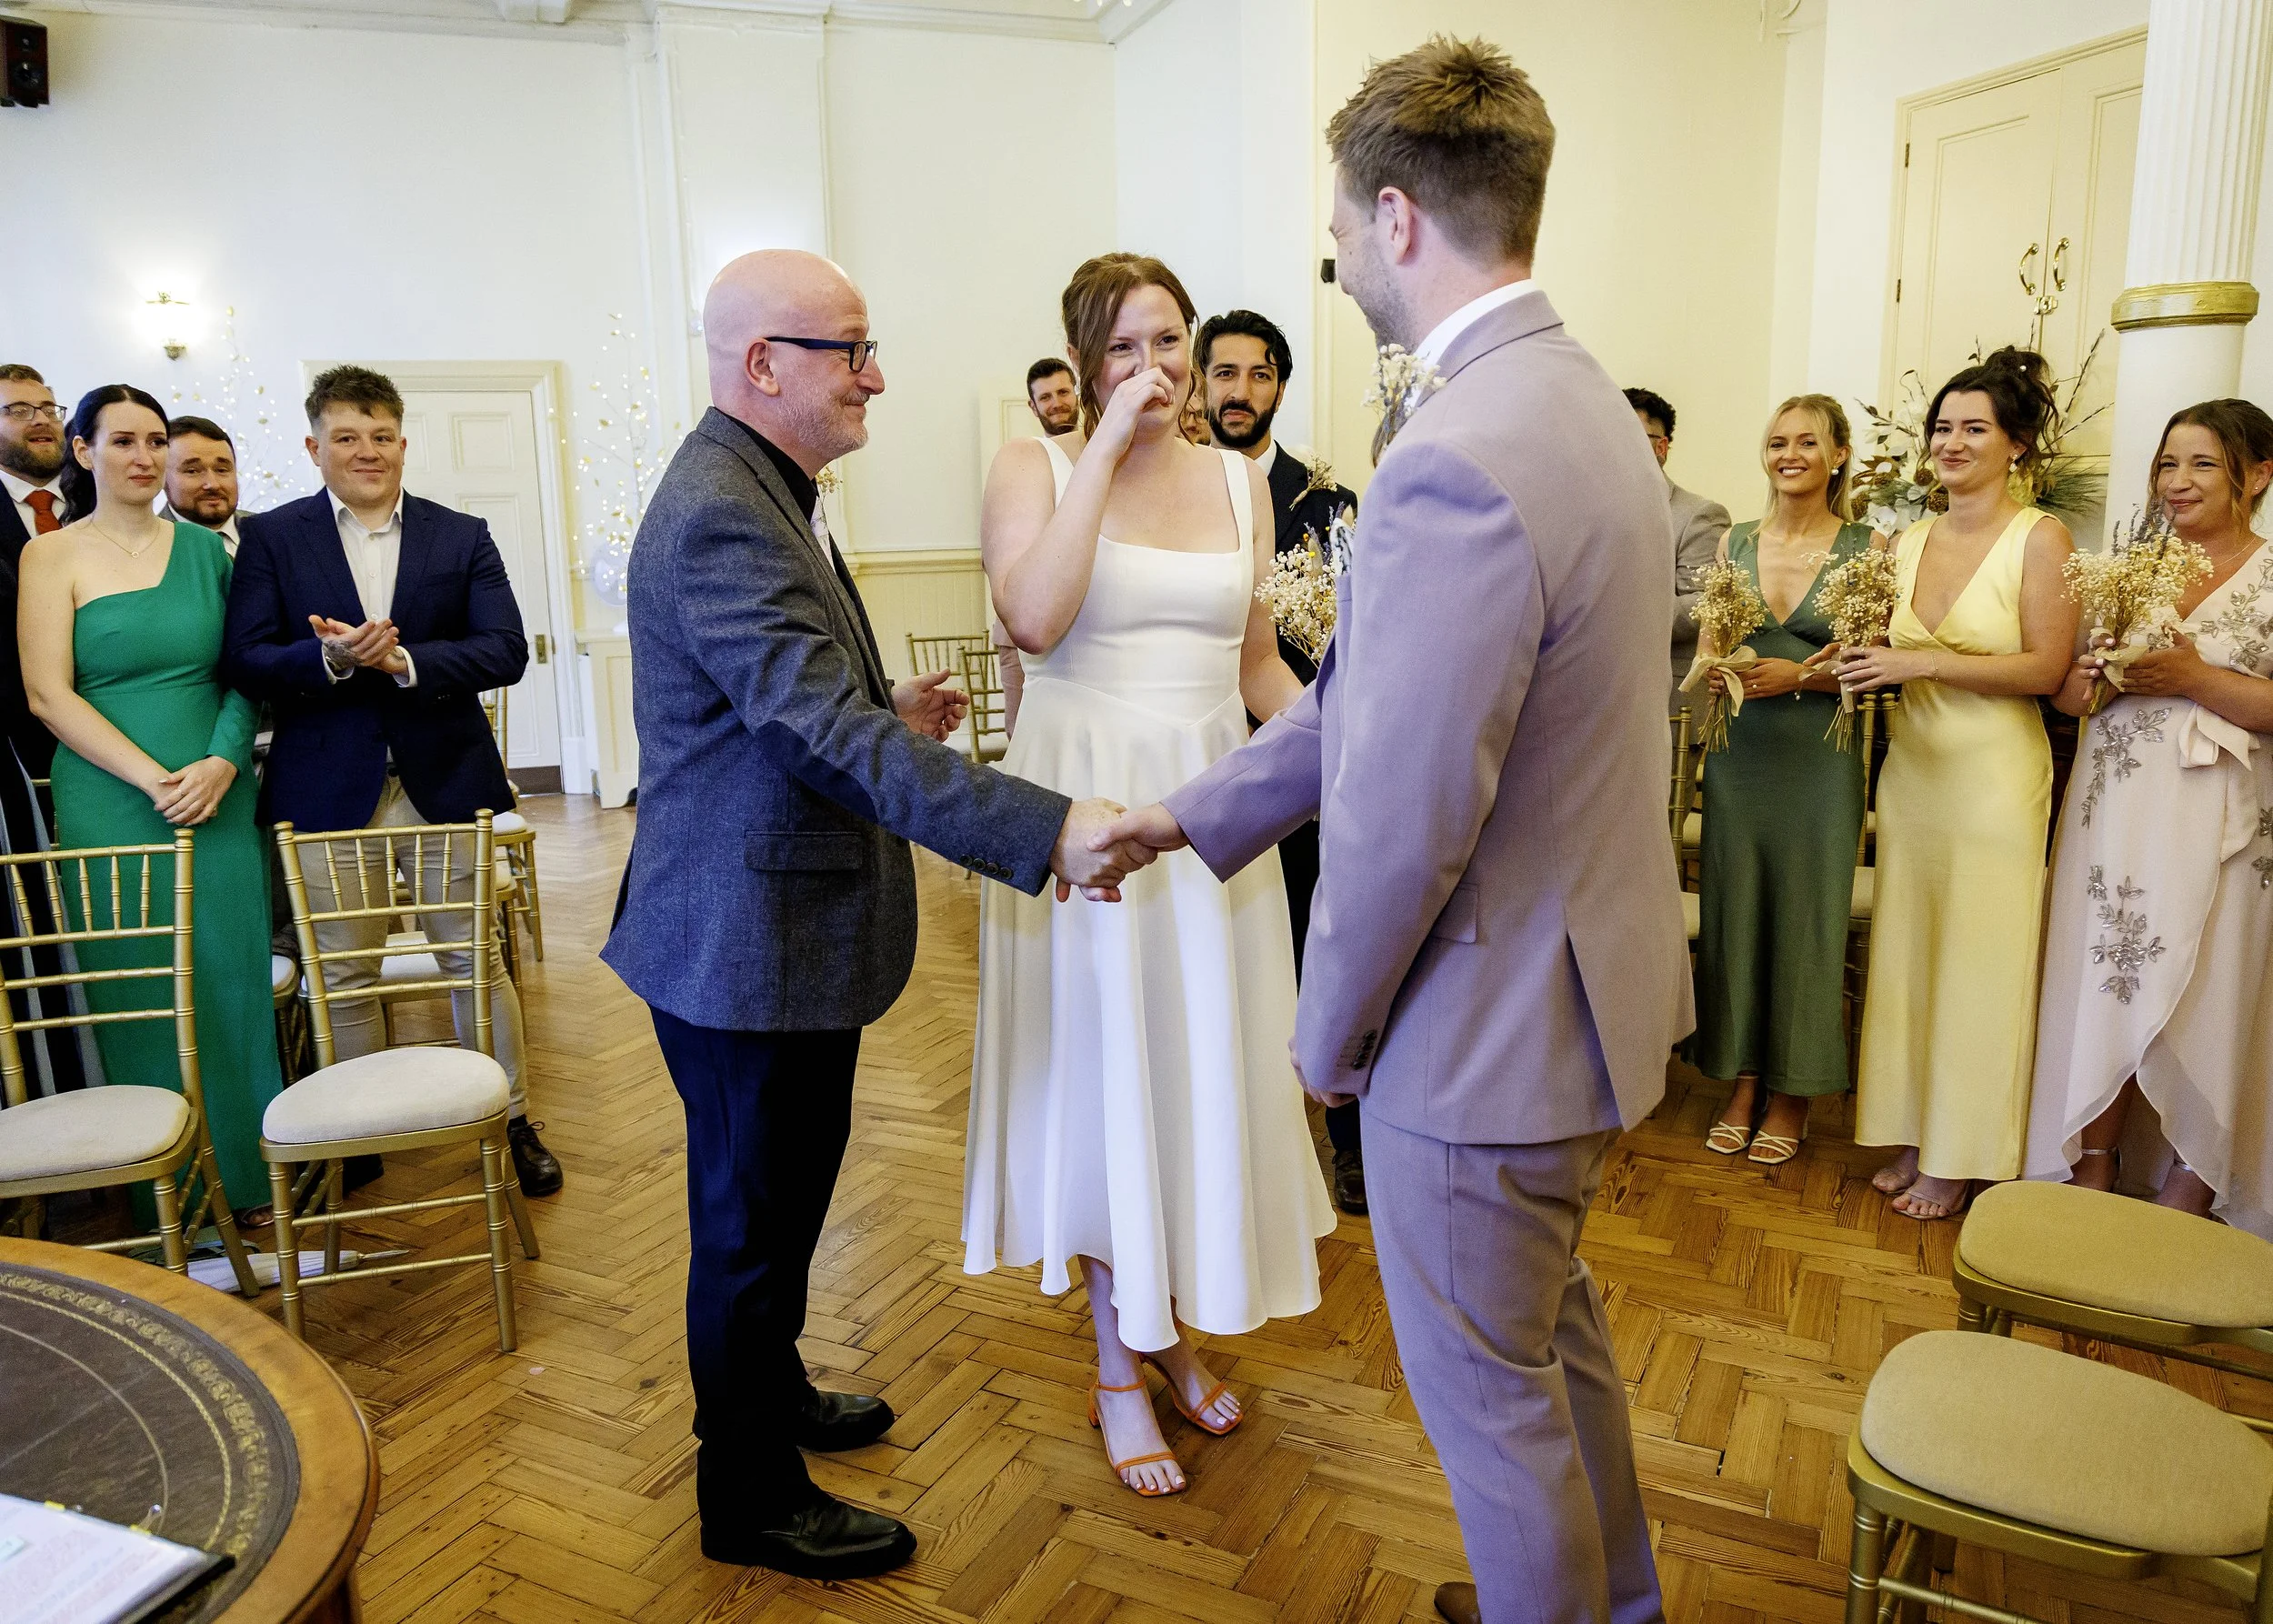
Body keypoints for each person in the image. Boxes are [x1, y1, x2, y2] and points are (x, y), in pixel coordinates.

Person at [1102, 40, 1687, 1624]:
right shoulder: (1576, 407)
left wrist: (1323, 1032)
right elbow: (1364, 705)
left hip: (1486, 1031)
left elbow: (1405, 814)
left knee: (1492, 1401)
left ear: (1400, 213)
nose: (1337, 261)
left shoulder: (1456, 455)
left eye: (1340, 231)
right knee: (1550, 1351)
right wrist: (1183, 813)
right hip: (1587, 1000)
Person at [601, 249, 1145, 1581]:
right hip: (739, 940)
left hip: (776, 926)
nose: (877, 375)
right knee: (743, 1229)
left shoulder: (766, 484)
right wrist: (1045, 823)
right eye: (852, 350)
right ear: (762, 365)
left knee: (784, 1202)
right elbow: (806, 726)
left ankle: (770, 1394)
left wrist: (878, 711)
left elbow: (783, 707)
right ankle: (748, 1494)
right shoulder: (724, 506)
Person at [966, 254, 1335, 1501]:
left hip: (1208, 808)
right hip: (1085, 804)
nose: (1158, 368)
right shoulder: (1037, 466)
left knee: (1194, 1071)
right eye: (1125, 349)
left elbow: (1256, 665)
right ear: (1082, 362)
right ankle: (1119, 1361)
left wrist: (1344, 751)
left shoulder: (1242, 484)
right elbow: (1030, 615)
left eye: (1168, 341)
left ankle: (1165, 1326)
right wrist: (1103, 447)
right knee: (1113, 1067)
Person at [223, 366, 561, 1198]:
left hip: (442, 778)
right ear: (314, 446)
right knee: (340, 973)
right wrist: (331, 658)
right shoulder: (273, 537)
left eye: (381, 436)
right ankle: (355, 1129)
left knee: (473, 960)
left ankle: (510, 1116)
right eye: (346, 436)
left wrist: (406, 658)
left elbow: (505, 649)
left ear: (402, 443)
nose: (366, 451)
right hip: (325, 789)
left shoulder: (461, 534)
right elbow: (246, 656)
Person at [19, 385, 278, 1222]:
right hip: (110, 800)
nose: (144, 456)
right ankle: (171, 1206)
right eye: (123, 440)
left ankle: (249, 1190)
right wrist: (153, 778)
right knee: (139, 997)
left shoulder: (209, 552)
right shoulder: (49, 557)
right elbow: (47, 696)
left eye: (155, 440)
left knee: (230, 987)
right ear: (83, 451)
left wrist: (219, 764)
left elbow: (248, 671)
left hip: (218, 797)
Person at [1838, 348, 2077, 1221]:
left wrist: (1914, 659)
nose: (1952, 441)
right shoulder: (1902, 541)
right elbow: (1887, 652)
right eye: (1942, 426)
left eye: (1974, 427)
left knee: (1981, 964)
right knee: (1910, 956)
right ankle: (1913, 1131)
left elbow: (2050, 668)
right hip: (1915, 773)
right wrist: (1854, 663)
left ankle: (1965, 1154)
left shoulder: (2041, 539)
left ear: (2016, 445)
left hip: (1993, 779)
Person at [2028, 399, 2273, 1235]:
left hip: (2223, 813)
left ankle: (2194, 1175)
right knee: (2109, 969)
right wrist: (2089, 672)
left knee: (2208, 980)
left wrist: (2195, 678)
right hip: (2121, 806)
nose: (2176, 482)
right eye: (2168, 464)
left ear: (2259, 475)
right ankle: (2092, 1154)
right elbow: (2068, 693)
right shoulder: (2130, 566)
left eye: (2202, 464)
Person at [1197, 306, 1368, 1214]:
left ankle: (1346, 1142)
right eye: (1224, 373)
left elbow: (1355, 631)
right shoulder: (1173, 489)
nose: (1240, 391)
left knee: (1318, 943)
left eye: (1258, 374)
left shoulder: (1327, 503)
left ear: (1279, 387)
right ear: (1200, 381)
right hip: (1195, 753)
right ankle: (1232, 1142)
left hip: (1297, 757)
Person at [1694, 397, 1880, 1164]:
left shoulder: (1870, 547)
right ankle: (1740, 1081)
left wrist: (1800, 675)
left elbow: (1871, 659)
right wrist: (1717, 671)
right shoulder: (1733, 541)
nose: (1790, 453)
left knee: (1807, 917)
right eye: (1777, 441)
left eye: (1808, 441)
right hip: (1741, 753)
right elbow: (1708, 644)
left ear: (1839, 454)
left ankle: (1796, 1091)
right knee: (1736, 912)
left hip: (1817, 756)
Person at [1629, 386, 1731, 706]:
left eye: (1630, 435)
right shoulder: (1582, 512)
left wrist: (1614, 618)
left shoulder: (1699, 514)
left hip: (1666, 699)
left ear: (1661, 447)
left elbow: (1703, 604)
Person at [163, 416, 245, 553]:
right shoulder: (144, 545)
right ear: (162, 478)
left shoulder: (273, 533)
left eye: (222, 470)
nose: (213, 484)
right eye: (193, 471)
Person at [1026, 357, 1082, 439]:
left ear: (1077, 396)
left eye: (1063, 392)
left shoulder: (1105, 449)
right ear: (1034, 407)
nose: (1057, 404)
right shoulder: (1024, 452)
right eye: (1045, 397)